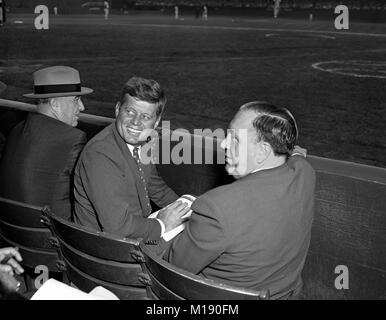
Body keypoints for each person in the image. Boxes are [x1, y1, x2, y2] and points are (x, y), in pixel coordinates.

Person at [161, 101, 315, 299]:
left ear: (263, 151)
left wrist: (162, 229)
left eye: (235, 139)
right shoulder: (304, 173)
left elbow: (168, 268)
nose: (224, 144)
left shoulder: (216, 207)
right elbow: (296, 154)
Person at [73, 76, 189, 241]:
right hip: (106, 251)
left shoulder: (143, 141)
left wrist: (187, 210)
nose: (135, 122)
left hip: (132, 236)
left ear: (156, 123)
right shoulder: (100, 155)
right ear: (117, 109)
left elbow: (156, 188)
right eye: (130, 112)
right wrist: (163, 224)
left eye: (145, 117)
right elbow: (117, 227)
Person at [0, 66, 92, 220]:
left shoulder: (18, 130)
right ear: (55, 104)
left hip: (10, 231)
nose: (82, 107)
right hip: (50, 237)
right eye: (76, 100)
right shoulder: (72, 139)